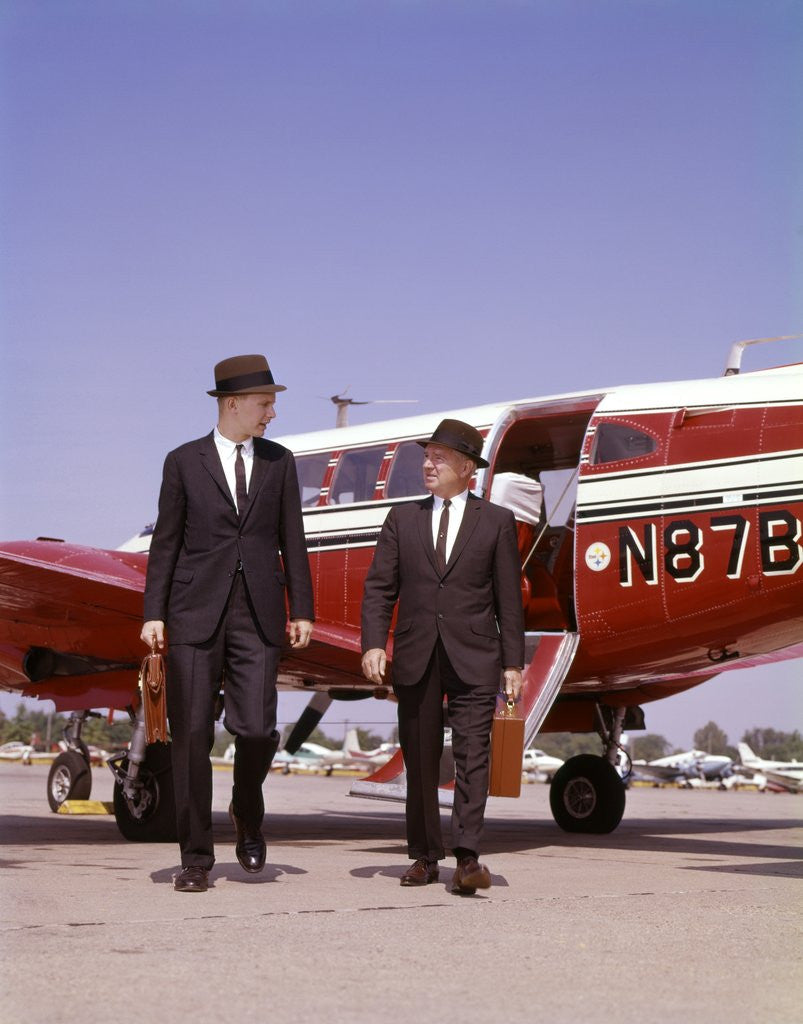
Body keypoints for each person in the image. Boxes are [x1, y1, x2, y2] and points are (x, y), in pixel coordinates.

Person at [140, 354, 314, 893]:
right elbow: (165, 542)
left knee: (258, 728)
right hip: (194, 612)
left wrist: (302, 608)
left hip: (259, 612)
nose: (272, 413)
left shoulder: (280, 463)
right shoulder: (183, 461)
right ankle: (195, 858)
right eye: (265, 403)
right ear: (232, 404)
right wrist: (154, 612)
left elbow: (293, 539)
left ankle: (246, 807)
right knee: (191, 736)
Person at [361, 419, 524, 895]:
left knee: (473, 757)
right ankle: (424, 856)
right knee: (422, 756)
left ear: (467, 469)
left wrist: (512, 663)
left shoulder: (497, 522)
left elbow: (508, 600)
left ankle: (468, 857)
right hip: (415, 653)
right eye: (426, 455)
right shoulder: (401, 519)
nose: (428, 464)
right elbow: (379, 589)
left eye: (440, 457)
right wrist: (374, 643)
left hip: (476, 654)